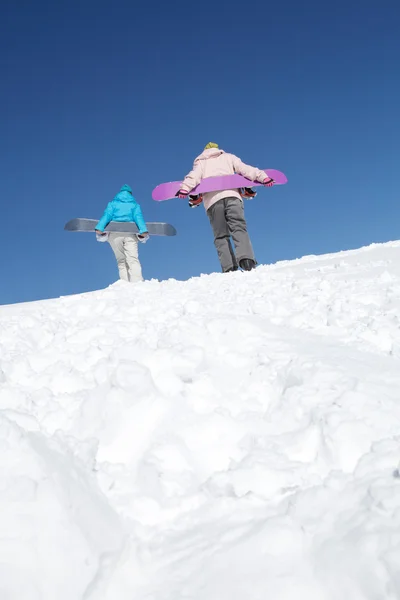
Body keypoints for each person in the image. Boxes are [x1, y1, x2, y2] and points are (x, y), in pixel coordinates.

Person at [177, 143, 274, 272]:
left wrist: (185, 188)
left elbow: (194, 176)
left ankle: (229, 268)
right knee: (239, 228)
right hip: (232, 196)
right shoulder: (229, 157)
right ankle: (247, 261)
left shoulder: (201, 162)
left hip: (213, 201)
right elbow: (245, 169)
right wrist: (263, 177)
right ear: (217, 149)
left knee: (221, 235)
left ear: (205, 151)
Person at [95, 184, 149, 282]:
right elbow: (138, 217)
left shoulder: (112, 204)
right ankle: (137, 282)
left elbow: (107, 215)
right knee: (132, 258)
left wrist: (99, 227)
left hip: (115, 234)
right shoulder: (134, 205)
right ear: (130, 194)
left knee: (121, 260)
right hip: (130, 234)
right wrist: (143, 230)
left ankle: (124, 283)